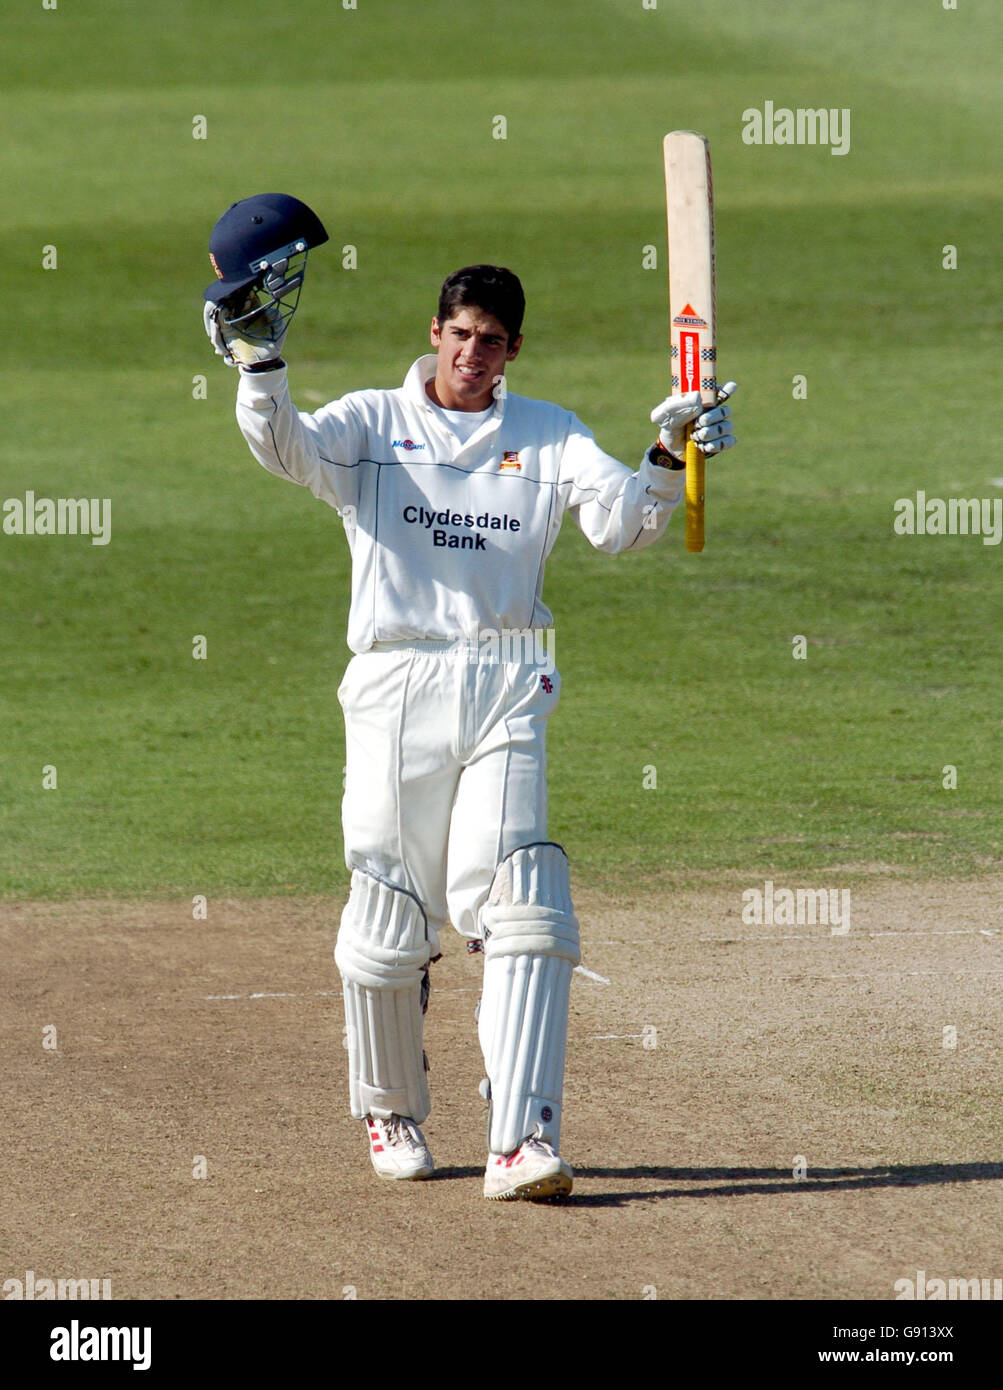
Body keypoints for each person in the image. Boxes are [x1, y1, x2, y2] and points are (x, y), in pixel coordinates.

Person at [204, 208, 736, 1201]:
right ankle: (390, 1106)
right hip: (397, 682)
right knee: (388, 914)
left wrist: (668, 456)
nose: (472, 354)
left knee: (521, 901)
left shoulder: (546, 433)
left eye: (491, 341)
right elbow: (282, 448)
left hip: (507, 681)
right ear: (435, 332)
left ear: (513, 349)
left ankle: (520, 1141)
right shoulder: (368, 423)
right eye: (459, 335)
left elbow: (622, 529)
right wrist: (259, 366)